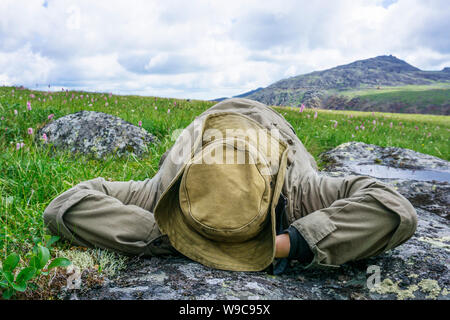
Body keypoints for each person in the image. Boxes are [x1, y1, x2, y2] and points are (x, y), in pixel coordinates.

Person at [43, 98, 418, 275]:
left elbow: (395, 209)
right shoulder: (165, 190)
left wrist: (287, 244)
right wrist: (168, 234)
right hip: (208, 132)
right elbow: (64, 204)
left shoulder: (300, 190)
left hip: (270, 129)